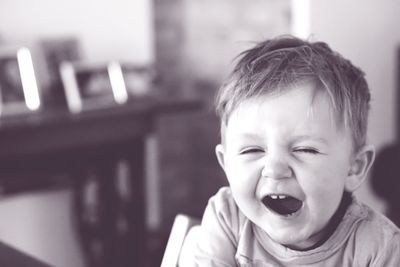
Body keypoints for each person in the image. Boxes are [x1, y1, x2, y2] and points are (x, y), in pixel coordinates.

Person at [189, 35, 400, 266]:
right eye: (252, 150)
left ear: (354, 168)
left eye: (305, 149)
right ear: (226, 163)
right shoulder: (228, 218)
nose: (275, 169)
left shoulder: (379, 248)